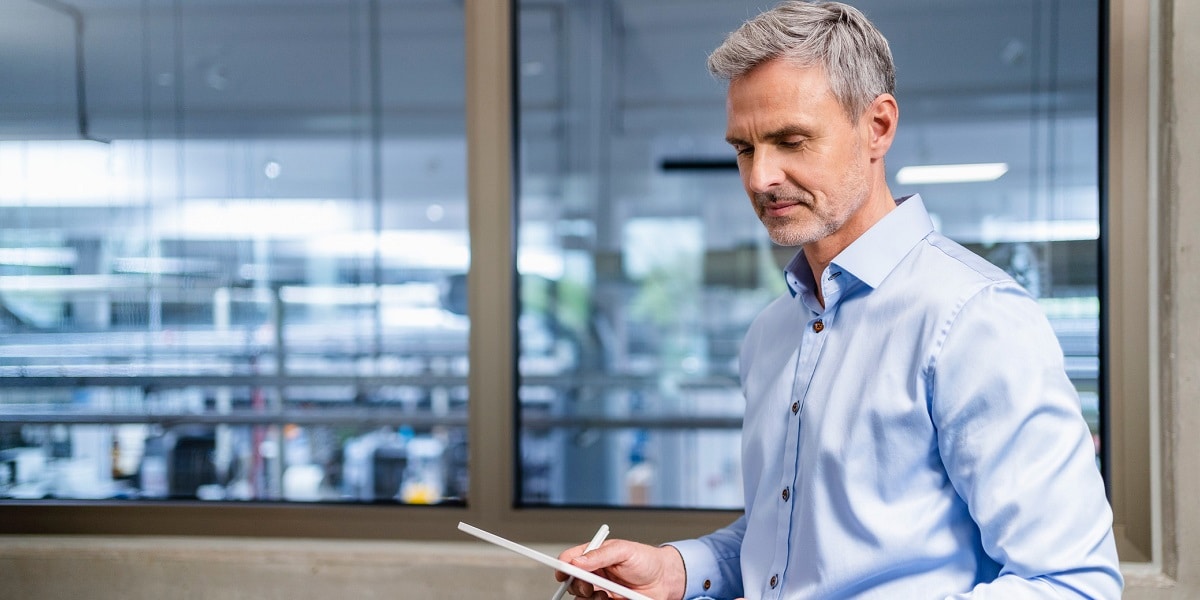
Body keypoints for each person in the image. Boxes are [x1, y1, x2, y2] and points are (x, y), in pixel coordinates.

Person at [555, 1, 1124, 599]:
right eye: (745, 149)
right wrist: (677, 570)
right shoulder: (773, 333)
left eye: (791, 140)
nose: (759, 177)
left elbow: (1071, 584)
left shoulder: (974, 319)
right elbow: (792, 548)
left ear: (877, 127)